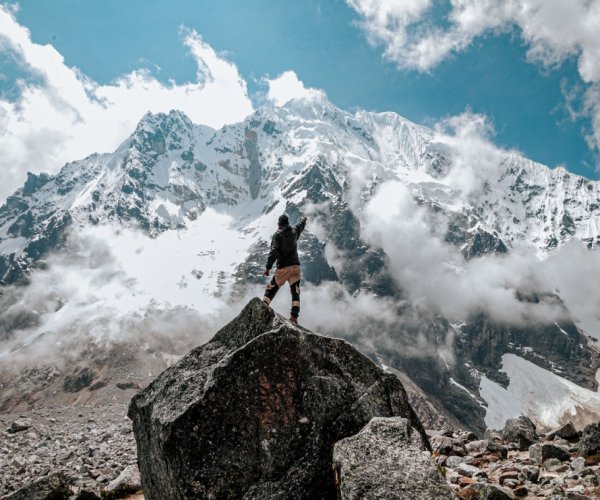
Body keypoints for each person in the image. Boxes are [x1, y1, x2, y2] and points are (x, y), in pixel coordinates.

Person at [262, 213, 307, 324]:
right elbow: (300, 226)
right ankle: (294, 317)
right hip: (295, 268)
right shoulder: (294, 231)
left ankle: (262, 310)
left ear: (279, 224)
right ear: (287, 223)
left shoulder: (277, 235)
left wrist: (268, 268)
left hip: (283, 269)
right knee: (295, 291)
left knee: (271, 289)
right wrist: (304, 220)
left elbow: (273, 252)